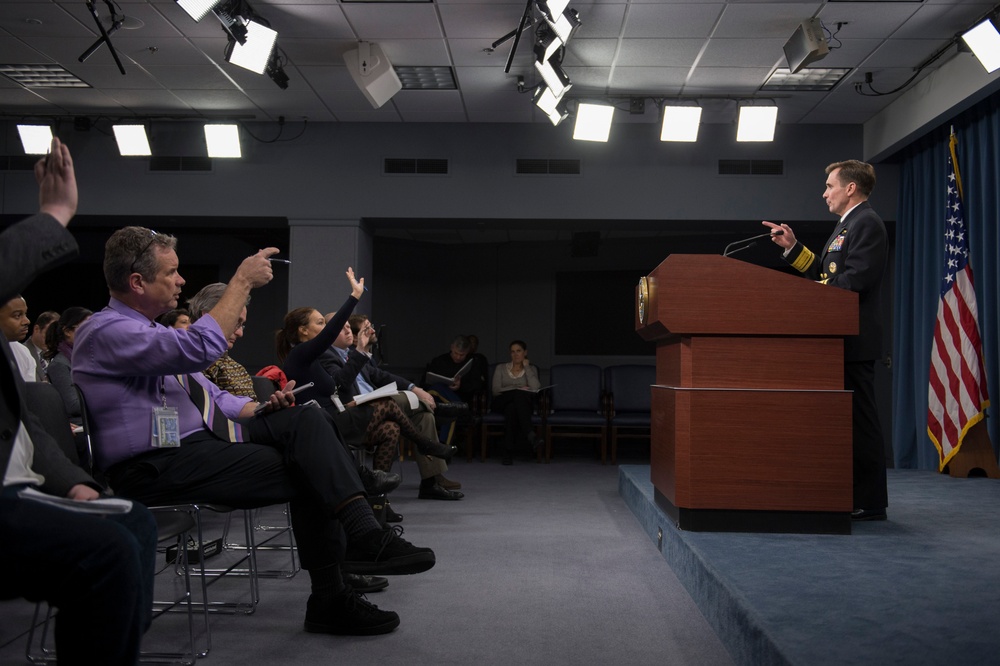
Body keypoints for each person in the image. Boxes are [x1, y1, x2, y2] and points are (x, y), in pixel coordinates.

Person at [73, 225, 437, 636]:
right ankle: (343, 572)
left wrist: (263, 406)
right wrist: (242, 280)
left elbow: (217, 398)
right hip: (151, 466)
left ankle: (353, 553)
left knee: (305, 417)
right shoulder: (104, 331)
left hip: (195, 450)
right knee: (313, 468)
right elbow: (199, 350)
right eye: (171, 273)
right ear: (137, 282)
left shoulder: (153, 332)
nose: (181, 280)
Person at [1, 137, 158, 665]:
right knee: (107, 552)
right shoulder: (111, 328)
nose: (181, 281)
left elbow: (23, 429)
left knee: (133, 522)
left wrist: (75, 483)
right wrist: (55, 214)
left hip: (22, 489)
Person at [187, 282, 392, 594]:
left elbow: (228, 402)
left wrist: (264, 406)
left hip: (254, 429)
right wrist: (353, 297)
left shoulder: (222, 359)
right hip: (227, 441)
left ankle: (341, 572)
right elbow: (213, 411)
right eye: (238, 323)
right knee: (314, 448)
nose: (241, 332)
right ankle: (342, 569)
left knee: (316, 436)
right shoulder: (193, 359)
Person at [763, 159, 888, 522]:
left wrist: (814, 295)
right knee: (844, 422)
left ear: (851, 188)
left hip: (855, 340)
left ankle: (871, 501)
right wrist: (792, 248)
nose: (824, 193)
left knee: (861, 422)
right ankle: (849, 494)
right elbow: (825, 271)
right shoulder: (846, 225)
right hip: (837, 340)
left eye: (830, 186)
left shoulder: (867, 223)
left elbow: (856, 280)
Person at [319, 317, 465, 500]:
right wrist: (360, 352)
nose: (347, 331)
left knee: (424, 417)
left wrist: (415, 387)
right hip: (357, 412)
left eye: (348, 326)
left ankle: (429, 483)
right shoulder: (328, 355)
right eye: (342, 328)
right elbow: (341, 384)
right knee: (394, 401)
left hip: (375, 407)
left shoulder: (349, 354)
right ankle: (435, 418)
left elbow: (381, 375)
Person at [491, 340, 542, 465]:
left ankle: (507, 452)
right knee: (518, 395)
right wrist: (517, 390)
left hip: (519, 406)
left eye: (518, 351)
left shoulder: (532, 368)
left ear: (525, 353)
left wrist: (527, 367)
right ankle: (530, 433)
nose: (515, 354)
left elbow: (535, 388)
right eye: (512, 352)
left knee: (512, 409)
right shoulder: (501, 368)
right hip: (501, 401)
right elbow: (496, 390)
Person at [43, 306, 92, 425]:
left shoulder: (91, 358)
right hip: (82, 427)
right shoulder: (59, 364)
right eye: (86, 328)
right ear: (68, 332)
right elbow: (73, 405)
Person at [1, 295, 38, 383]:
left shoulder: (23, 352)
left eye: (25, 314)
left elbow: (28, 394)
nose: (27, 321)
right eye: (17, 315)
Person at [24, 310, 58, 382]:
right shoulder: (22, 352)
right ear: (36, 329)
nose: (51, 340)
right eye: (48, 335)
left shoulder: (57, 355)